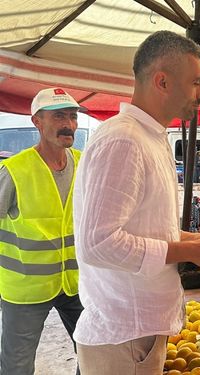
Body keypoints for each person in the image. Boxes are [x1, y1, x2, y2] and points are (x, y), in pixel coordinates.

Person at [73, 31, 200, 374]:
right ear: (162, 81)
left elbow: (147, 228)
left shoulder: (150, 137)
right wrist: (188, 251)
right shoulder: (124, 141)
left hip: (137, 334)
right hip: (124, 337)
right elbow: (99, 244)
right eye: (196, 82)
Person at [0, 88, 85, 375]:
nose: (69, 124)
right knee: (17, 367)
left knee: (95, 352)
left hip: (75, 282)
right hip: (26, 289)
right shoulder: (14, 170)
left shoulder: (84, 163)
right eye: (59, 116)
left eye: (72, 116)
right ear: (37, 121)